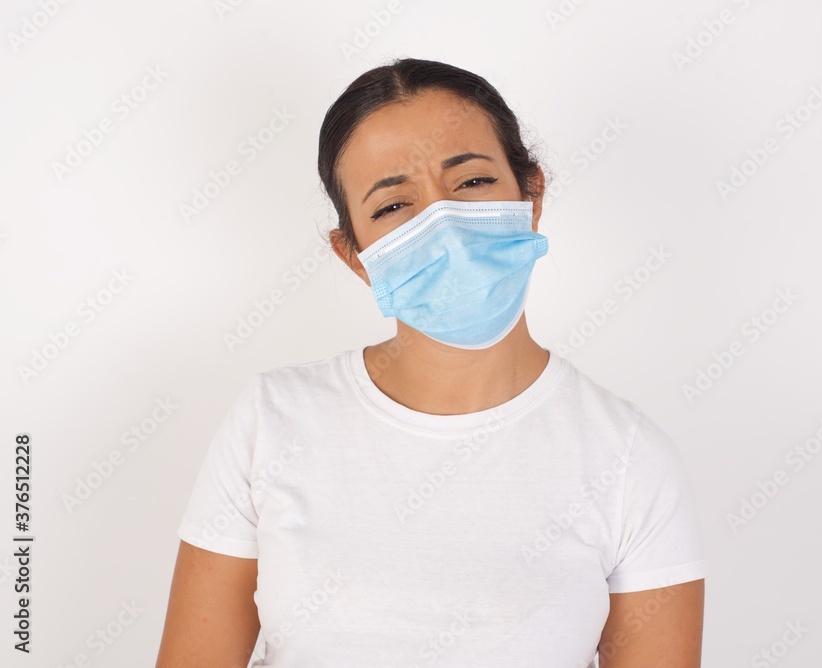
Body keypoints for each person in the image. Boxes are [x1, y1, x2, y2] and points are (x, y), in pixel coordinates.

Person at [156, 57, 706, 668]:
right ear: (356, 256)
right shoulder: (271, 422)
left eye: (471, 183)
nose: (443, 223)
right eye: (393, 206)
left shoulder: (627, 458)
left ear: (532, 193)